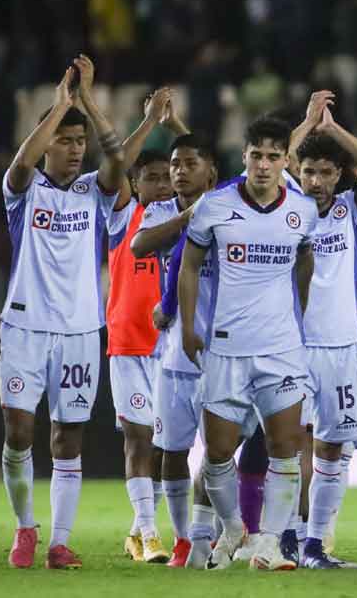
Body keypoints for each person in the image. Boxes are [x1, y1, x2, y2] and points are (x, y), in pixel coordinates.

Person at [0, 55, 127, 569]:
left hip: (78, 329)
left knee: (68, 435)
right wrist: (59, 107)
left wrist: (90, 105)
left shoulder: (95, 191)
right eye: (65, 141)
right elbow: (21, 164)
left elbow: (119, 166)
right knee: (19, 433)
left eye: (79, 142)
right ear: (47, 140)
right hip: (24, 326)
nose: (75, 150)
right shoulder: (24, 193)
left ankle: (59, 541)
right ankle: (25, 526)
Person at [179, 116, 318, 571]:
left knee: (285, 448)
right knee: (217, 453)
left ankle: (271, 543)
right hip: (226, 347)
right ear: (245, 157)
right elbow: (189, 267)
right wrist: (187, 327)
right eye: (256, 155)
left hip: (280, 349)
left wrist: (294, 313)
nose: (263, 165)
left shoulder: (302, 211)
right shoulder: (214, 207)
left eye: (273, 156)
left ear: (285, 161)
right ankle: (235, 526)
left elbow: (305, 264)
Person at [287, 95, 357, 569]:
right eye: (308, 171)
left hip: (343, 347)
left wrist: (337, 131)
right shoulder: (284, 210)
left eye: (326, 172)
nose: (316, 181)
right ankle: (284, 539)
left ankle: (314, 545)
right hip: (293, 347)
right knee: (288, 446)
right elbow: (276, 160)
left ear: (339, 175)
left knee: (332, 447)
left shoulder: (353, 210)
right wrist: (307, 124)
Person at [106, 87, 189, 564]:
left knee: (166, 445)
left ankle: (140, 531)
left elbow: (205, 166)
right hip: (129, 344)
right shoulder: (124, 216)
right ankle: (149, 531)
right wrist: (151, 121)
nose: (162, 185)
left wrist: (175, 128)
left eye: (168, 177)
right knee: (139, 438)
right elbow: (117, 166)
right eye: (152, 178)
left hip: (172, 347)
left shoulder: (191, 218)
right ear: (136, 183)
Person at [138, 132, 220, 568]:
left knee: (219, 452)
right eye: (174, 165)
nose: (180, 171)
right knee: (172, 450)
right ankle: (184, 538)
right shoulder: (160, 210)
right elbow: (138, 245)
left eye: (190, 163)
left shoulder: (231, 212)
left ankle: (211, 534)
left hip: (221, 350)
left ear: (212, 171)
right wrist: (190, 214)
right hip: (172, 353)